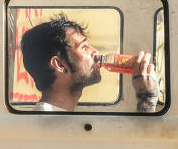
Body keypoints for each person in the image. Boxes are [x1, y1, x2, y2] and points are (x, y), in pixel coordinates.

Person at [20, 14, 158, 112]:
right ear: (60, 65)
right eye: (84, 47)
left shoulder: (59, 116)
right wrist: (147, 98)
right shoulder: (48, 122)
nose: (95, 52)